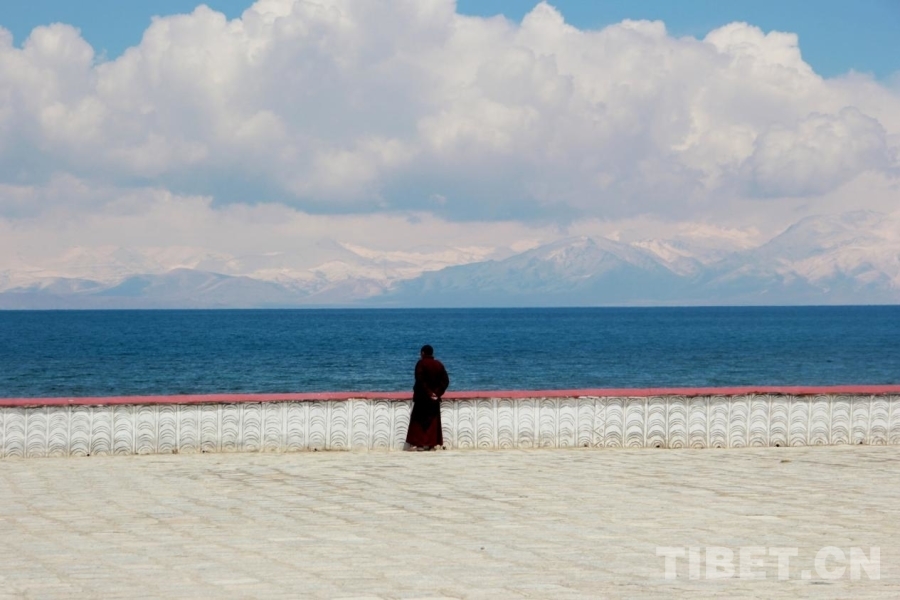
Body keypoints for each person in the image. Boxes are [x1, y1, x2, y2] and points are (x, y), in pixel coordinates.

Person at [405, 344, 450, 451]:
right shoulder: (439, 364)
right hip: (434, 399)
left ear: (423, 353)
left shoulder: (421, 364)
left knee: (418, 422)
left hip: (422, 398)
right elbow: (446, 381)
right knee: (433, 423)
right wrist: (437, 393)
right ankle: (432, 445)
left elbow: (420, 380)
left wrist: (429, 393)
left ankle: (419, 445)